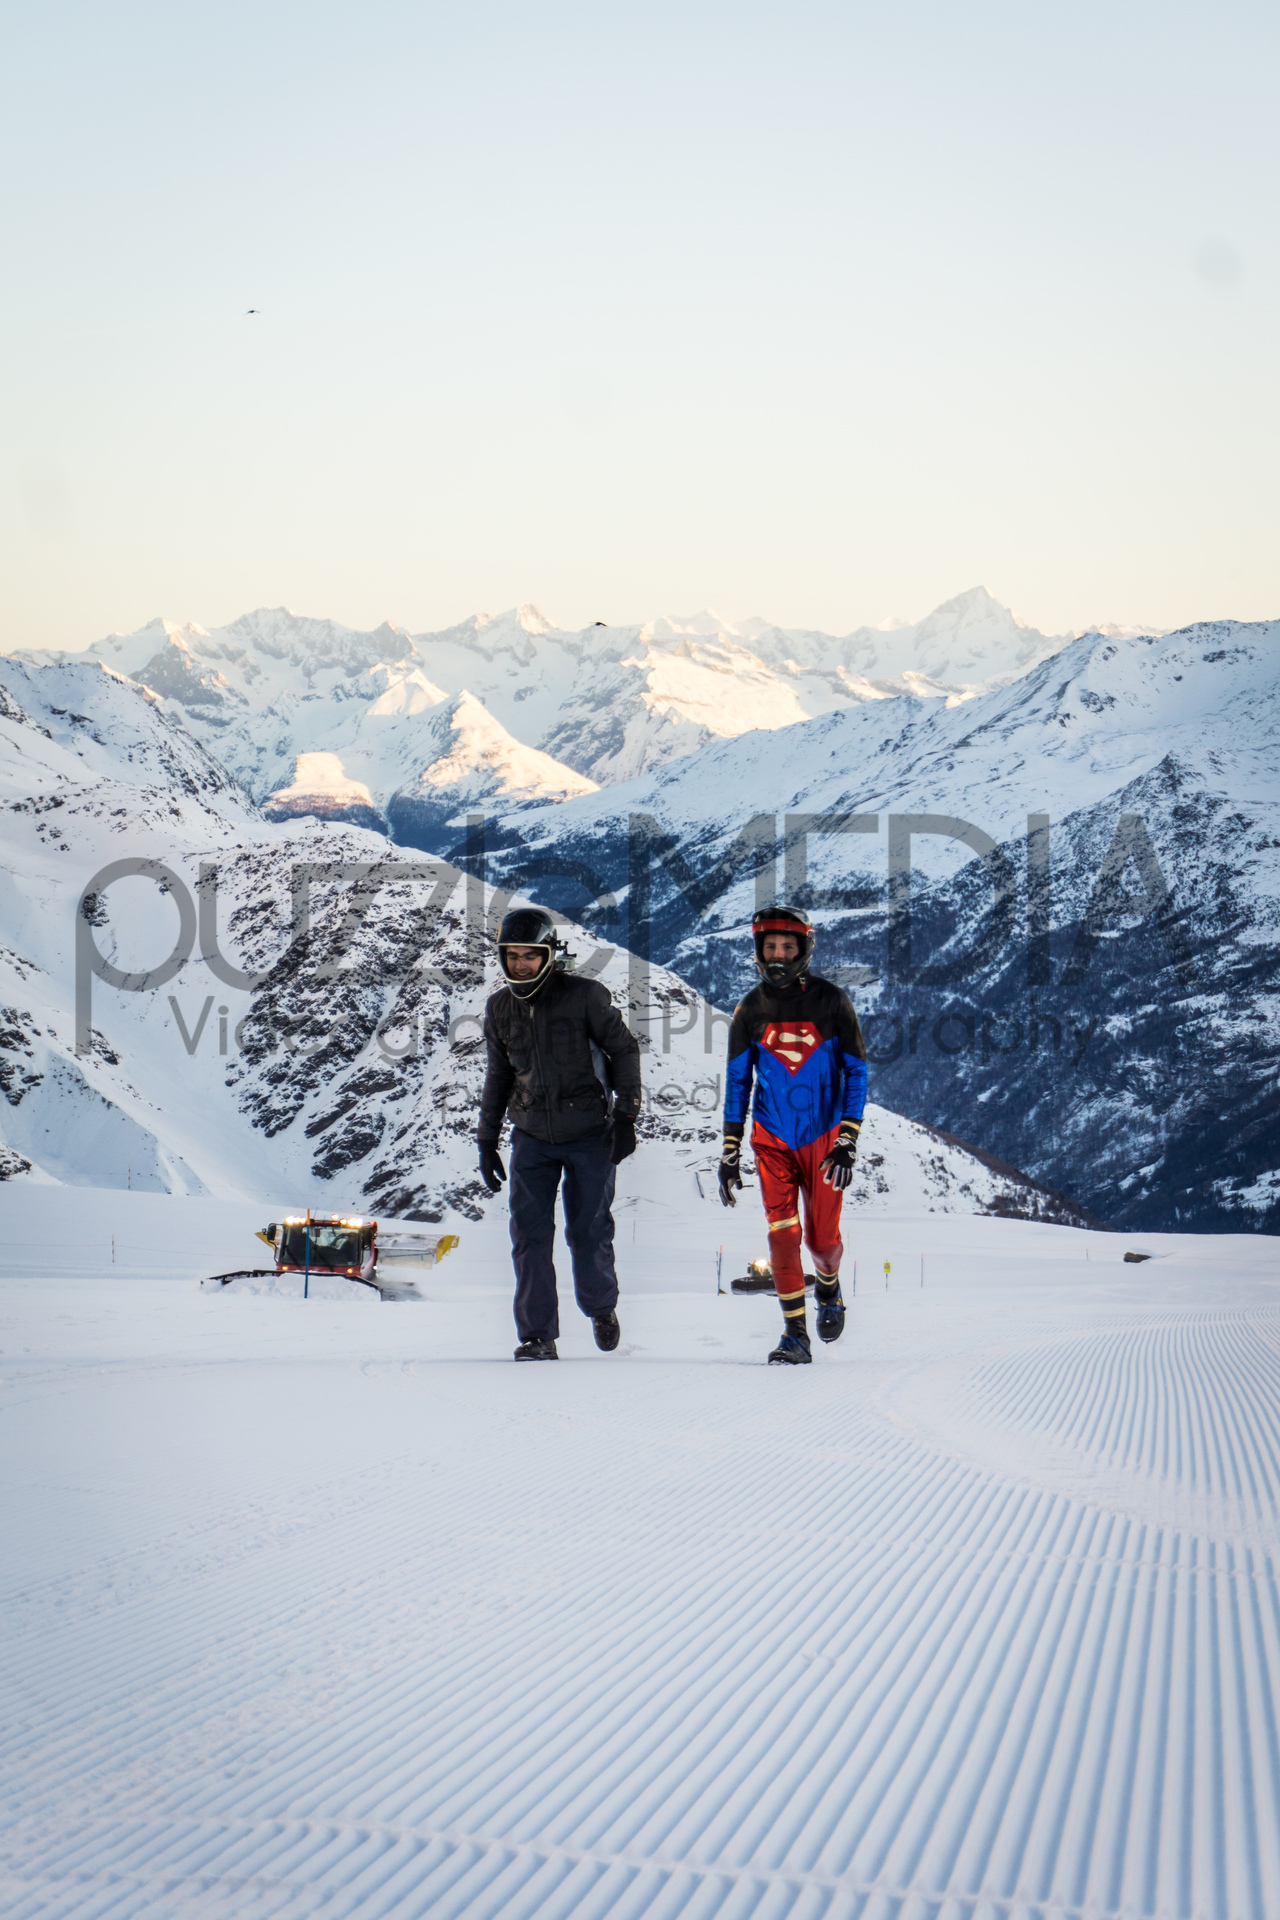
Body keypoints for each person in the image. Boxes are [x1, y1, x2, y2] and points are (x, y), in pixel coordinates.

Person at [477, 906, 642, 1360]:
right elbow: (499, 1077)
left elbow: (624, 1050)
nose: (521, 965)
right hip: (531, 1135)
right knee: (528, 1235)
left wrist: (627, 1117)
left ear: (549, 954)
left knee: (587, 1232)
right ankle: (537, 1335)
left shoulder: (585, 996)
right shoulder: (500, 1008)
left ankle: (600, 1307)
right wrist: (487, 1140)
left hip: (591, 1132)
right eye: (512, 956)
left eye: (530, 956)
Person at [718, 906, 867, 1364]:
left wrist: (847, 1138)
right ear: (758, 950)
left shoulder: (833, 1001)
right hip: (772, 1139)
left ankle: (828, 1284)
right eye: (770, 946)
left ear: (804, 948)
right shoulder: (750, 1009)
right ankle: (794, 1335)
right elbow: (738, 1081)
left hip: (823, 1142)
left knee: (821, 1242)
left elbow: (857, 1072)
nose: (778, 954)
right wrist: (729, 1150)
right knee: (782, 1234)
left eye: (787, 946)